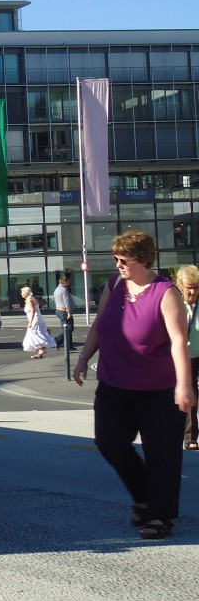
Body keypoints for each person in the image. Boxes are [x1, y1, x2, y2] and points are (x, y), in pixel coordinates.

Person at [73, 230, 195, 540]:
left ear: (142, 260)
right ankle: (144, 496)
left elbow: (179, 341)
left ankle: (159, 517)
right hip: (115, 382)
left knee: (162, 454)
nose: (117, 265)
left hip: (158, 388)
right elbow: (100, 324)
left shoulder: (166, 293)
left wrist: (184, 385)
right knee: (109, 441)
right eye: (115, 259)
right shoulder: (114, 286)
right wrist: (83, 358)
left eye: (123, 260)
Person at [175, 265, 199, 451]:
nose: (192, 291)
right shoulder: (174, 305)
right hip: (184, 358)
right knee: (189, 396)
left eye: (196, 287)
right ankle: (190, 437)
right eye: (189, 287)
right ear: (181, 286)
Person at [21, 285, 54, 359]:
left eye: (22, 292)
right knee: (38, 334)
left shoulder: (29, 300)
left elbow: (33, 311)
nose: (21, 294)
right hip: (38, 319)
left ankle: (41, 350)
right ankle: (39, 352)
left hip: (35, 320)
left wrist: (30, 322)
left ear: (25, 293)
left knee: (32, 335)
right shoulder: (32, 299)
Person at [53, 272, 75, 349]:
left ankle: (69, 345)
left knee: (67, 328)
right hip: (64, 311)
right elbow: (66, 301)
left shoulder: (57, 289)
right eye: (68, 282)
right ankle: (57, 339)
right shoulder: (63, 290)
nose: (69, 283)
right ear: (64, 282)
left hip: (59, 310)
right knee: (69, 328)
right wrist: (69, 312)